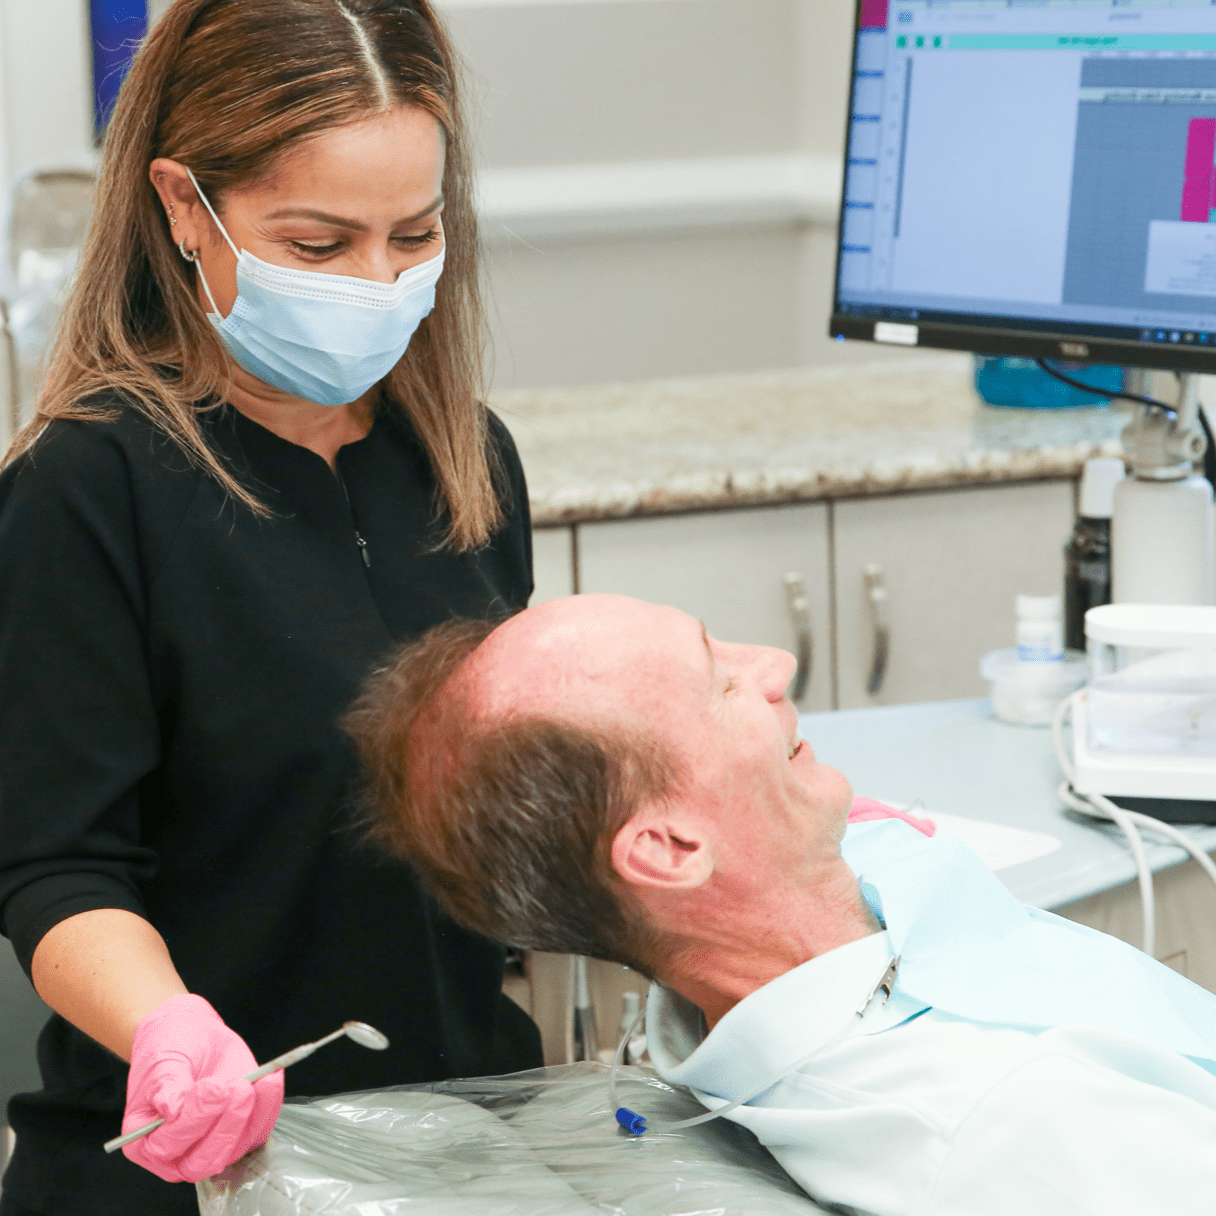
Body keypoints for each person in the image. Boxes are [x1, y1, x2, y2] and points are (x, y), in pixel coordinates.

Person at [0, 3, 543, 1213]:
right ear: (185, 211)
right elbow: (58, 866)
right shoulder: (90, 489)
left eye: (414, 234)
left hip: (460, 1143)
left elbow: (509, 813)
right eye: (317, 243)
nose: (377, 281)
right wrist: (165, 1027)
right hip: (185, 1162)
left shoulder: (462, 464)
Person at [345, 594, 1216, 1216]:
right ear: (673, 850)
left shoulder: (799, 943)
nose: (776, 665)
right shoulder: (1009, 1127)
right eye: (720, 683)